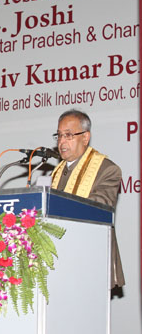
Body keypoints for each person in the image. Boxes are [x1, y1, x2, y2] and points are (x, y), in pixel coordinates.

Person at [50, 109, 124, 288]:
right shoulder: (55, 171)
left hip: (91, 258)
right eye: (59, 136)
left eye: (68, 135)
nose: (62, 142)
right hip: (59, 261)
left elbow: (100, 208)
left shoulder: (107, 169)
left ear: (85, 137)